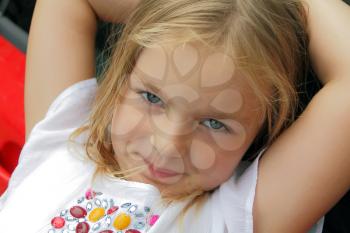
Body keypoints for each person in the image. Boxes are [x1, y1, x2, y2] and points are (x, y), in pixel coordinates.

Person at [0, 0, 349, 232]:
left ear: (260, 129)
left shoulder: (231, 220)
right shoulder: (63, 143)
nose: (167, 146)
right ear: (124, 73)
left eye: (214, 123)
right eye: (151, 97)